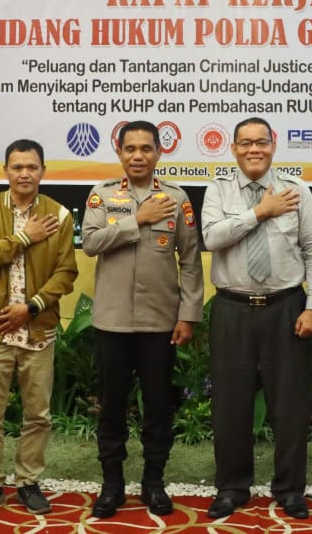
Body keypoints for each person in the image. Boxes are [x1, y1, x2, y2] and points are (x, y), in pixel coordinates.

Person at [200, 116, 312, 520]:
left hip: (286, 307)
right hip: (232, 308)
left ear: (273, 146)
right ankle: (231, 487)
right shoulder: (218, 189)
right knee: (230, 405)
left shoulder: (297, 190)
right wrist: (260, 211)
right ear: (234, 149)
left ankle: (290, 489)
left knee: (290, 406)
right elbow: (212, 238)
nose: (254, 149)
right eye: (246, 143)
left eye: (261, 142)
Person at [81, 120, 204, 518]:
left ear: (158, 152)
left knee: (158, 407)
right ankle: (112, 485)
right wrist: (138, 219)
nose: (138, 155)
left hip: (160, 323)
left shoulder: (176, 197)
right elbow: (91, 243)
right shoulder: (102, 195)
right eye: (130, 148)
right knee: (112, 407)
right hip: (113, 322)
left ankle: (154, 482)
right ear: (119, 152)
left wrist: (188, 315)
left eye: (146, 148)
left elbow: (190, 260)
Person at [0, 139, 77, 517]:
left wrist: (31, 307)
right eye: (17, 167)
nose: (24, 174)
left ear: (43, 171)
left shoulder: (59, 215)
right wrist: (25, 237)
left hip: (37, 329)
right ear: (5, 171)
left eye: (31, 167)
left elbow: (66, 272)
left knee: (38, 415)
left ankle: (28, 482)